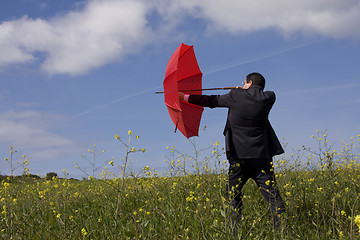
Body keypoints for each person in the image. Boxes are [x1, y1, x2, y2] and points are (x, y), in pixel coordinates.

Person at [179, 72, 285, 228]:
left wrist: (185, 97)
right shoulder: (269, 98)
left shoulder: (236, 95)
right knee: (273, 197)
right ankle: (282, 230)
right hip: (262, 156)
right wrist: (242, 90)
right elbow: (255, 95)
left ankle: (235, 231)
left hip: (239, 157)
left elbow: (210, 101)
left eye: (244, 82)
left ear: (248, 82)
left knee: (232, 195)